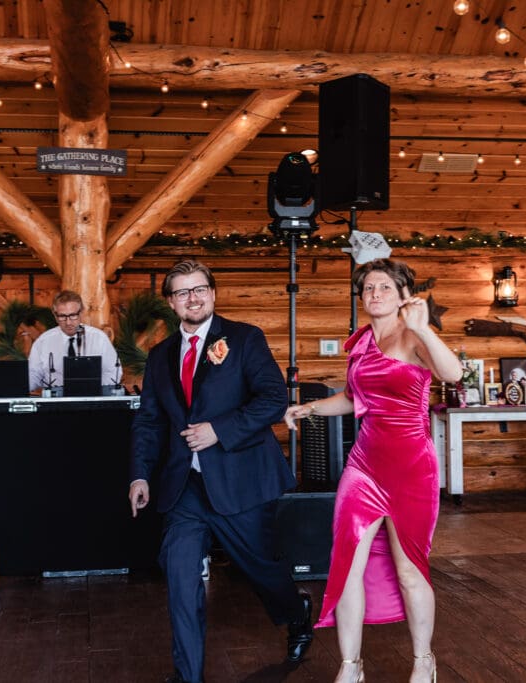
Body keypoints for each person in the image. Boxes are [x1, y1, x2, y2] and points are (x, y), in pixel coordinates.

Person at [128, 260, 313, 683]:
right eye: (182, 292)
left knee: (262, 570)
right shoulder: (159, 356)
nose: (192, 298)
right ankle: (187, 676)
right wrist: (139, 474)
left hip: (241, 480)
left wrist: (219, 430)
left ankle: (295, 611)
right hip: (185, 488)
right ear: (171, 302)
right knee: (180, 576)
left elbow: (272, 399)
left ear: (212, 293)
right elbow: (149, 421)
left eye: (199, 289)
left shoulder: (245, 339)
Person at [284, 258, 462, 683]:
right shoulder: (362, 342)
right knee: (347, 565)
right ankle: (351, 666)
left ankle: (424, 661)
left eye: (384, 287)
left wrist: (423, 328)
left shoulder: (413, 337)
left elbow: (453, 373)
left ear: (403, 295)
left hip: (410, 468)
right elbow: (353, 398)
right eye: (368, 288)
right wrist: (310, 408)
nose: (374, 293)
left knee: (409, 568)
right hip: (363, 467)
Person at [27, 290, 120, 393]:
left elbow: (113, 372)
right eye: (62, 316)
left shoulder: (99, 338)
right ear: (55, 315)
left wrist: (91, 387)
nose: (68, 322)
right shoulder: (43, 341)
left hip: (93, 396)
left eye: (73, 315)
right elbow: (33, 374)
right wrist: (21, 388)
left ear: (81, 313)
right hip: (56, 398)